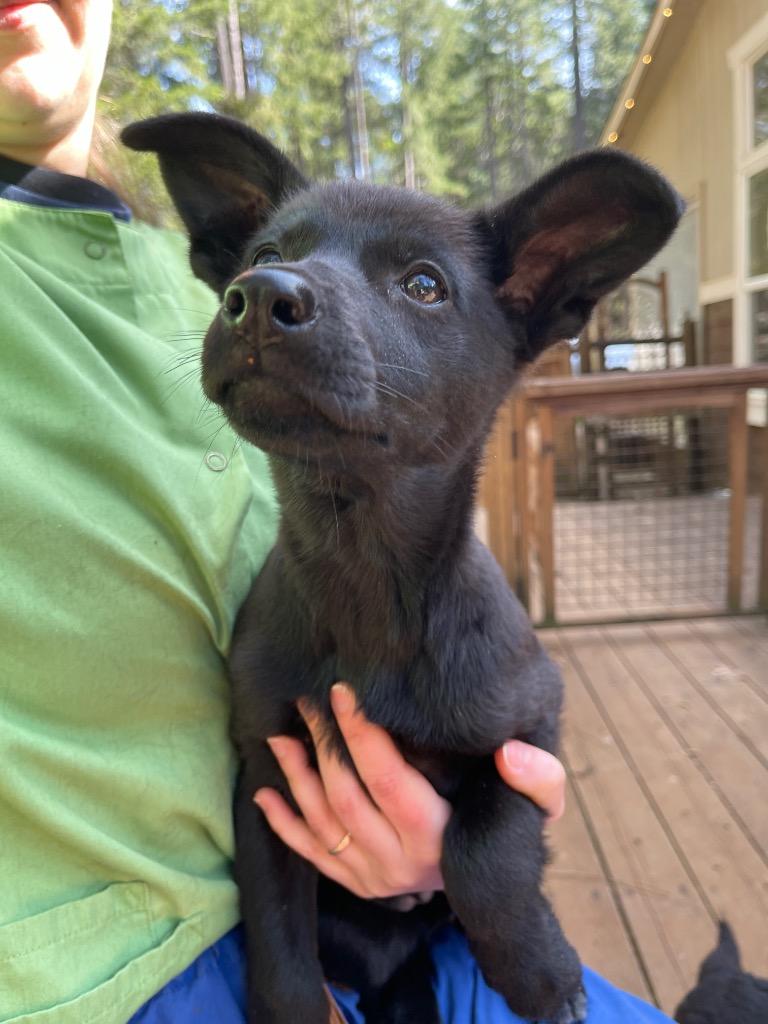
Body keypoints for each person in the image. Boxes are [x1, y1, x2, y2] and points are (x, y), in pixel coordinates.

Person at [0, 2, 673, 1022]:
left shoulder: (482, 653)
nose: (277, 288)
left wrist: (483, 882)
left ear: (531, 296)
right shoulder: (271, 652)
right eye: (263, 257)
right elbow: (264, 797)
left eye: (420, 283)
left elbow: (523, 736)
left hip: (439, 936)